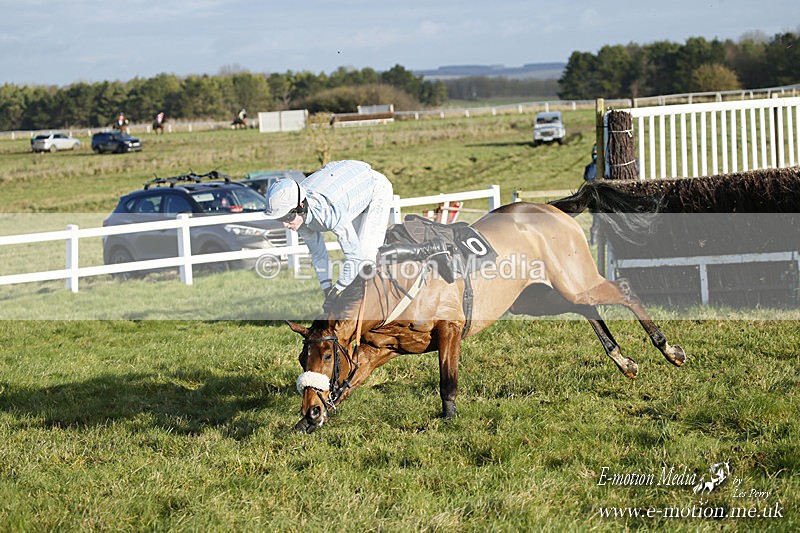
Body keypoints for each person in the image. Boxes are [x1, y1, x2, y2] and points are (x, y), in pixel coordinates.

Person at [264, 160, 394, 308]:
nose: (285, 225)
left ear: (301, 206)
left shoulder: (328, 212)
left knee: (365, 258)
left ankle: (377, 310)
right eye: (279, 219)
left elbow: (354, 257)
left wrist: (337, 291)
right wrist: (327, 290)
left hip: (375, 189)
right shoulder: (299, 215)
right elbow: (318, 254)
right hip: (347, 187)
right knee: (357, 266)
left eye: (287, 217)